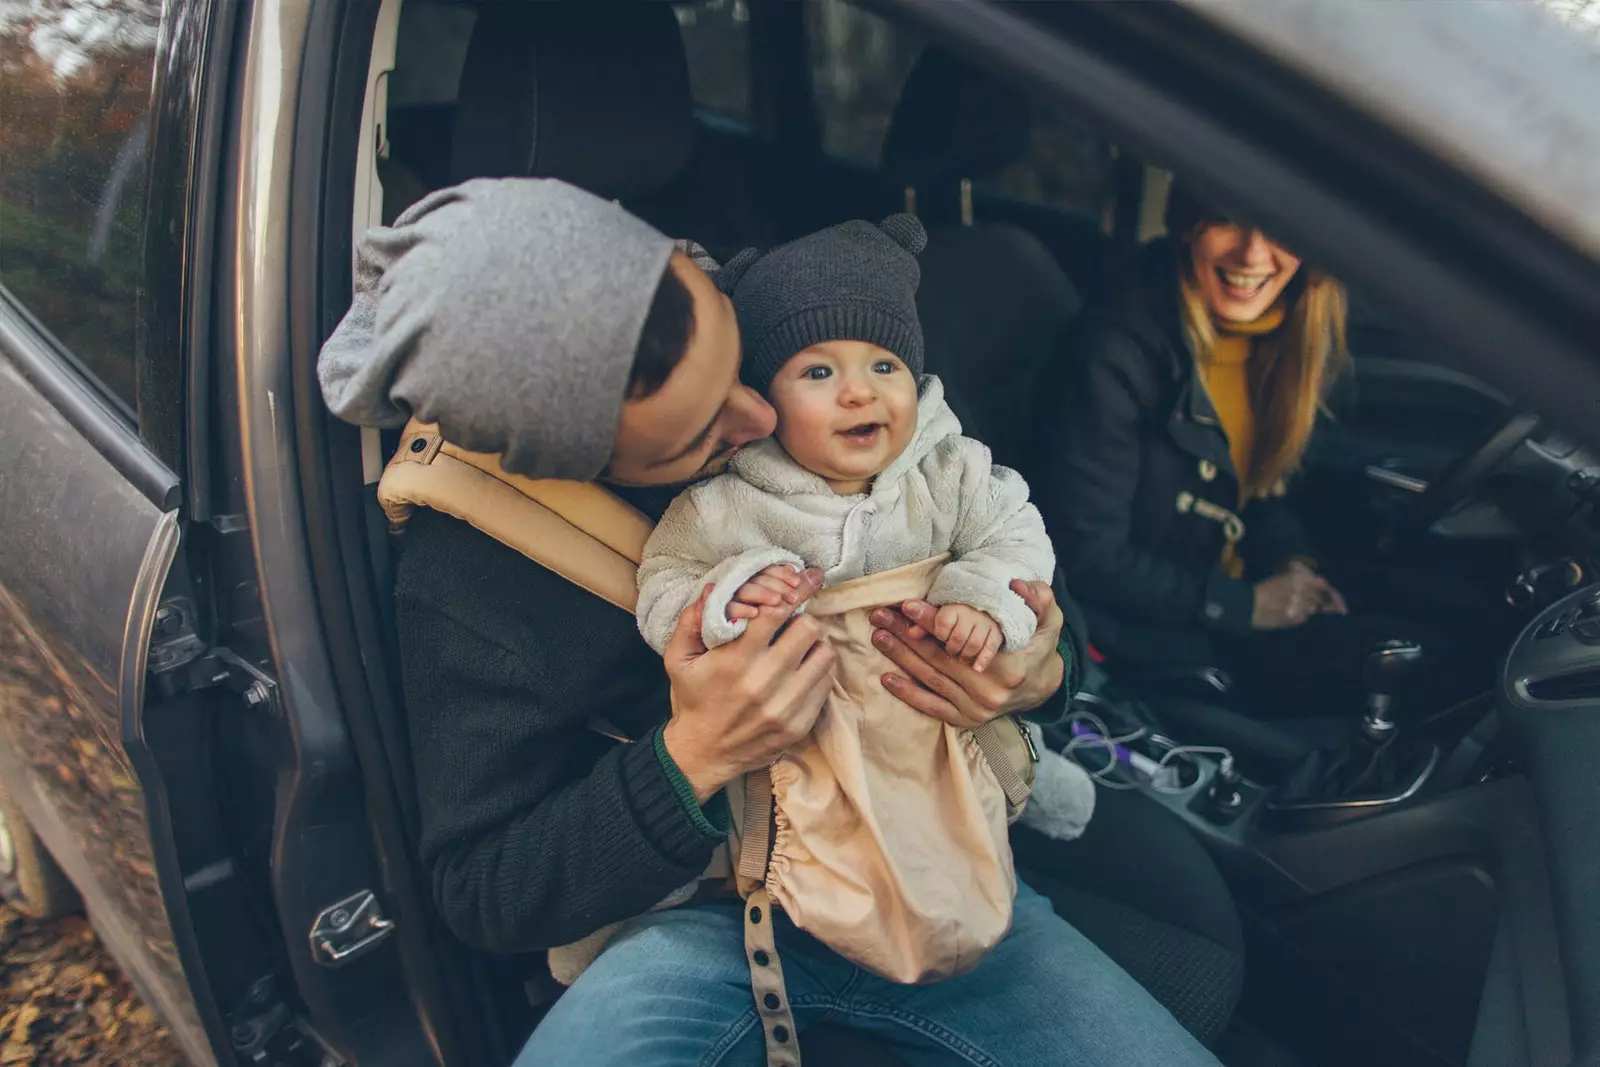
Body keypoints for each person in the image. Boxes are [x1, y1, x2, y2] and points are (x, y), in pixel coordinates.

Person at [318, 176, 1222, 1066]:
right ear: (578, 464)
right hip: (700, 925)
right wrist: (694, 755)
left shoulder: (811, 324)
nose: (758, 413)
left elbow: (1014, 550)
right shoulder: (478, 580)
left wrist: (1043, 668)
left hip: (937, 855)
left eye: (739, 365)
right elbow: (485, 886)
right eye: (697, 437)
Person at [1035, 185, 1460, 720]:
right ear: (1189, 224)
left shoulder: (1275, 337)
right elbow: (1087, 558)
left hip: (1235, 583)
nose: (1252, 255)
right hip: (1162, 630)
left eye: (1279, 225)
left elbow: (1255, 491)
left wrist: (1294, 565)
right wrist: (1249, 606)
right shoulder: (1116, 353)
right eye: (1227, 219)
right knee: (1435, 664)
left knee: (1461, 609)